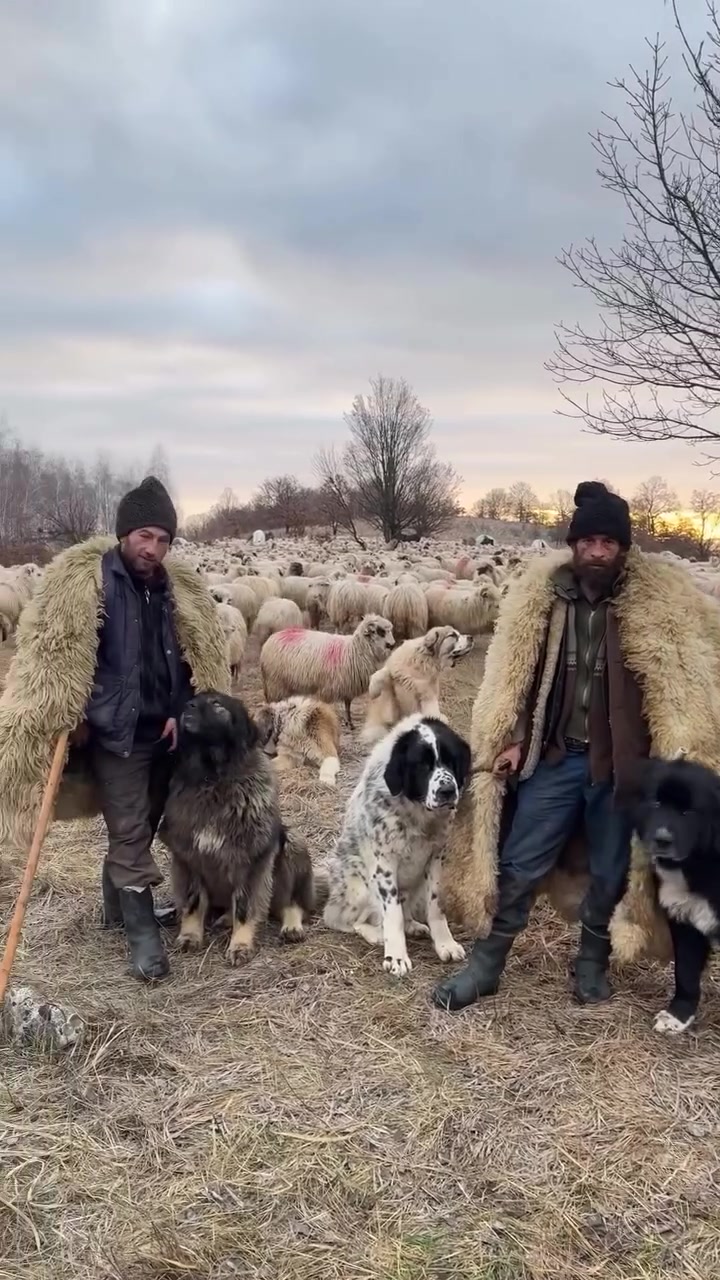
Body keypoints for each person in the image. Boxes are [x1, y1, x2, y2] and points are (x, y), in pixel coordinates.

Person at [434, 480, 720, 1012]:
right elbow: (516, 677)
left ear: (622, 549)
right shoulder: (544, 602)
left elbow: (681, 683)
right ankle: (488, 961)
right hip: (557, 756)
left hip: (621, 772)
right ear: (573, 545)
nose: (596, 551)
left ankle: (591, 962)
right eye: (587, 541)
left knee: (612, 869)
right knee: (519, 858)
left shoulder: (655, 608)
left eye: (607, 543)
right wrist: (516, 738)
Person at [0, 476, 229, 982]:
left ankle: (115, 908)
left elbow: (189, 659)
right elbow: (58, 651)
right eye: (145, 536)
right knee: (128, 828)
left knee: (148, 821)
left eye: (164, 539)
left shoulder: (174, 590)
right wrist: (70, 711)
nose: (154, 548)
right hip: (114, 731)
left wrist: (180, 709)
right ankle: (142, 933)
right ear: (125, 533)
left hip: (163, 730)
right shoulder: (92, 585)